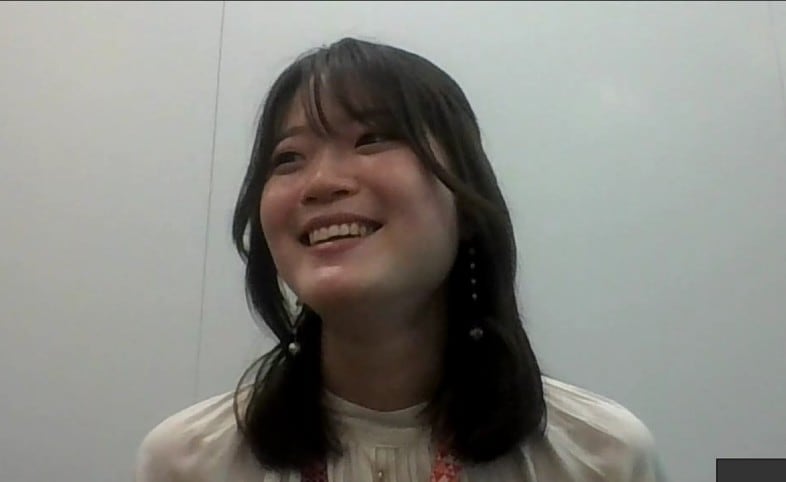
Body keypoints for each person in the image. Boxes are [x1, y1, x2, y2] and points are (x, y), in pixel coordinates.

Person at [135, 37, 665, 482]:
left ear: (467, 201)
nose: (321, 183)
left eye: (372, 139)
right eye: (288, 157)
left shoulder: (601, 459)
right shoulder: (187, 464)